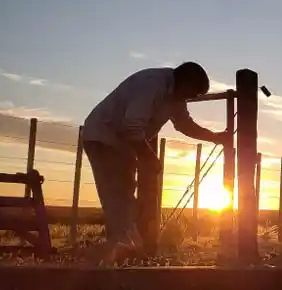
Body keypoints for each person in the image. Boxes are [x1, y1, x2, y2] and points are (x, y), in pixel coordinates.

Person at [81, 62, 230, 263]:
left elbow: (184, 124)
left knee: (123, 195)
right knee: (117, 195)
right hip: (104, 137)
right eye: (192, 93)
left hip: (121, 143)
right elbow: (131, 125)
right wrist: (148, 156)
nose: (191, 98)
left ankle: (126, 251)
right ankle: (119, 256)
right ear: (184, 82)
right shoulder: (151, 85)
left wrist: (214, 137)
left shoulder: (175, 95)